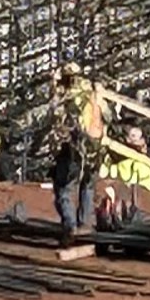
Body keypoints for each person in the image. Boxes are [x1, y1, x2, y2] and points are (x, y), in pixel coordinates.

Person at [49, 65, 105, 237]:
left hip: (75, 150)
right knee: (87, 187)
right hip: (96, 150)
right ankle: (86, 223)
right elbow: (108, 117)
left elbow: (56, 118)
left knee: (64, 188)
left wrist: (53, 86)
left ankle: (70, 225)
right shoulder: (94, 95)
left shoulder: (66, 97)